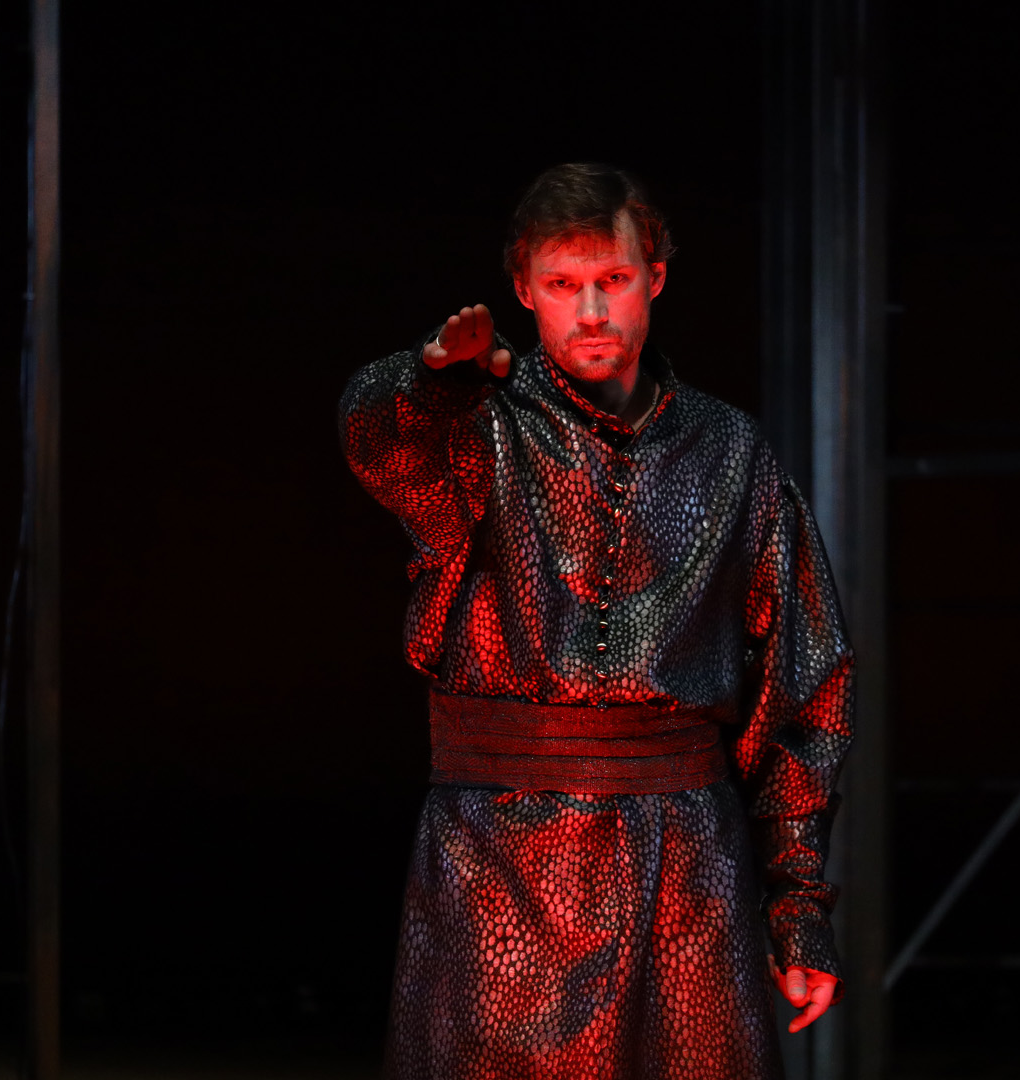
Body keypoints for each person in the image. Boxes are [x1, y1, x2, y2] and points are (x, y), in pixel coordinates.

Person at [339, 163, 853, 1080]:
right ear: (523, 288)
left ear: (654, 276)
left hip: (689, 872)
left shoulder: (731, 451)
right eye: (562, 284)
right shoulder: (477, 427)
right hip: (500, 863)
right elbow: (382, 445)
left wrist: (797, 906)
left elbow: (805, 681)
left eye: (612, 280)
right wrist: (427, 376)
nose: (590, 312)